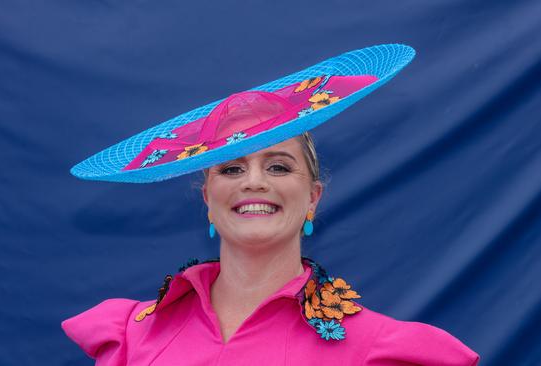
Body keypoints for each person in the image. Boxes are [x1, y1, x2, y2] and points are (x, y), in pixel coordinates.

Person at [63, 44, 479, 365]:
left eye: (278, 167)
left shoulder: (375, 349)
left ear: (313, 198)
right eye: (231, 170)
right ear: (208, 199)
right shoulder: (134, 334)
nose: (254, 182)